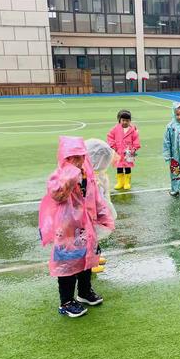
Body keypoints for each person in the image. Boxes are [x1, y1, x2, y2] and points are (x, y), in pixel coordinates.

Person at [39, 136, 115, 318]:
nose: (79, 160)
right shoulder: (60, 176)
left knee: (86, 261)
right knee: (67, 265)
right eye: (74, 157)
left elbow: (96, 198)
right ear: (66, 158)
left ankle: (84, 291)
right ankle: (66, 302)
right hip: (66, 230)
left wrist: (104, 216)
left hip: (86, 228)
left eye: (81, 156)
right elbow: (57, 194)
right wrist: (71, 175)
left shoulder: (87, 176)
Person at [85, 138, 118, 273]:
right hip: (91, 215)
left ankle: (96, 257)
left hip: (97, 213)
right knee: (90, 237)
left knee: (95, 236)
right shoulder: (89, 178)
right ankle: (90, 262)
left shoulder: (98, 175)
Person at [107, 109, 140, 191]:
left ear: (130, 121)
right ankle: (120, 182)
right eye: (123, 120)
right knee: (119, 167)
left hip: (129, 152)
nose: (125, 122)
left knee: (128, 167)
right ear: (119, 120)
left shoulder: (133, 131)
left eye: (127, 120)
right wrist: (113, 146)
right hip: (118, 151)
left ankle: (127, 182)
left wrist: (134, 148)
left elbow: (136, 140)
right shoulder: (115, 129)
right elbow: (110, 137)